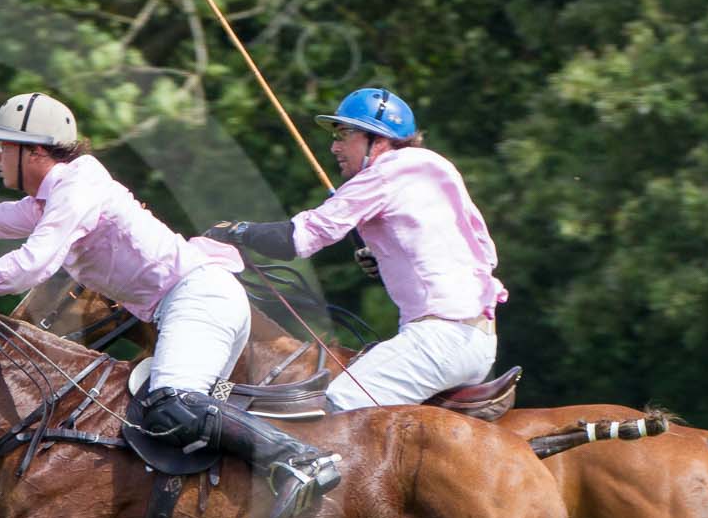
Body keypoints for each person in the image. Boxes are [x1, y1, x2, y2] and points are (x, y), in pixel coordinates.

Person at [0, 92, 340, 518]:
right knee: (149, 423)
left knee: (170, 404)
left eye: (1, 145)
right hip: (189, 304)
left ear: (36, 150)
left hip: (199, 299)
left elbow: (35, 264)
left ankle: (301, 459)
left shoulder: (79, 185)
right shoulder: (52, 198)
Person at [200, 87, 503, 412]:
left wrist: (236, 232)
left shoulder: (386, 172)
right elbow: (474, 249)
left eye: (345, 134)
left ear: (379, 140)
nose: (334, 147)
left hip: (439, 340)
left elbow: (300, 238)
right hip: (477, 341)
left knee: (325, 413)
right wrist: (384, 255)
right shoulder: (434, 168)